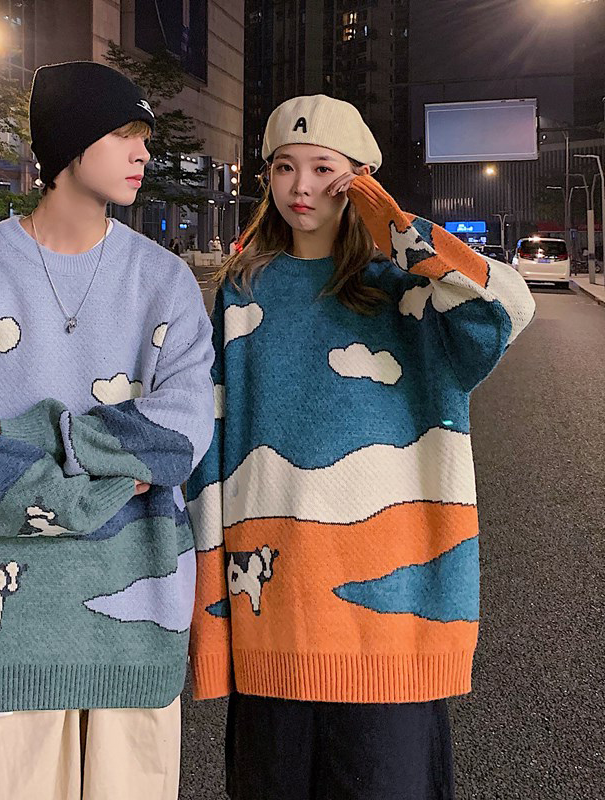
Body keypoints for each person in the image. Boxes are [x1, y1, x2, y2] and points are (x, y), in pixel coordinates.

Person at [186, 94, 536, 800]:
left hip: (392, 618)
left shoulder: (411, 291)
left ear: (361, 179)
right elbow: (211, 449)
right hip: (273, 608)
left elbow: (507, 308)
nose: (302, 186)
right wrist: (213, 621)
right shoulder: (243, 290)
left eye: (324, 168)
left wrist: (400, 230)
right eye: (284, 167)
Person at [0, 61, 215, 800]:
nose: (143, 152)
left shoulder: (164, 281)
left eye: (144, 137)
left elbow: (184, 431)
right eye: (123, 134)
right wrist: (111, 471)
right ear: (69, 145)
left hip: (136, 617)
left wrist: (23, 437)